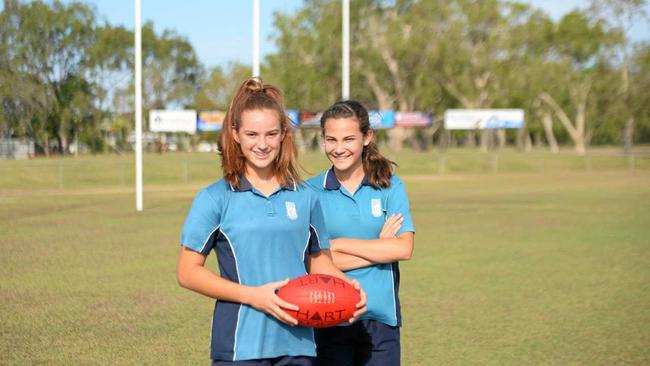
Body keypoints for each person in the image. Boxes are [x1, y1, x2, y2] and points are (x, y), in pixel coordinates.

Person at [177, 79, 367, 366]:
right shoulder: (214, 198)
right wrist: (254, 296)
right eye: (252, 134)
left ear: (283, 135)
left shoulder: (306, 197)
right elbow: (187, 272)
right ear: (236, 134)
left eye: (271, 134)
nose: (262, 144)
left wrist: (349, 288)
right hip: (240, 347)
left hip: (299, 344)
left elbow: (319, 262)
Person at [306, 100, 415, 366]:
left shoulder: (390, 186)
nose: (339, 148)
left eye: (348, 139)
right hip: (329, 318)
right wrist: (379, 248)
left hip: (382, 320)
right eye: (331, 139)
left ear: (367, 137)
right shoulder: (309, 192)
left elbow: (403, 249)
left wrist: (337, 245)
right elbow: (313, 263)